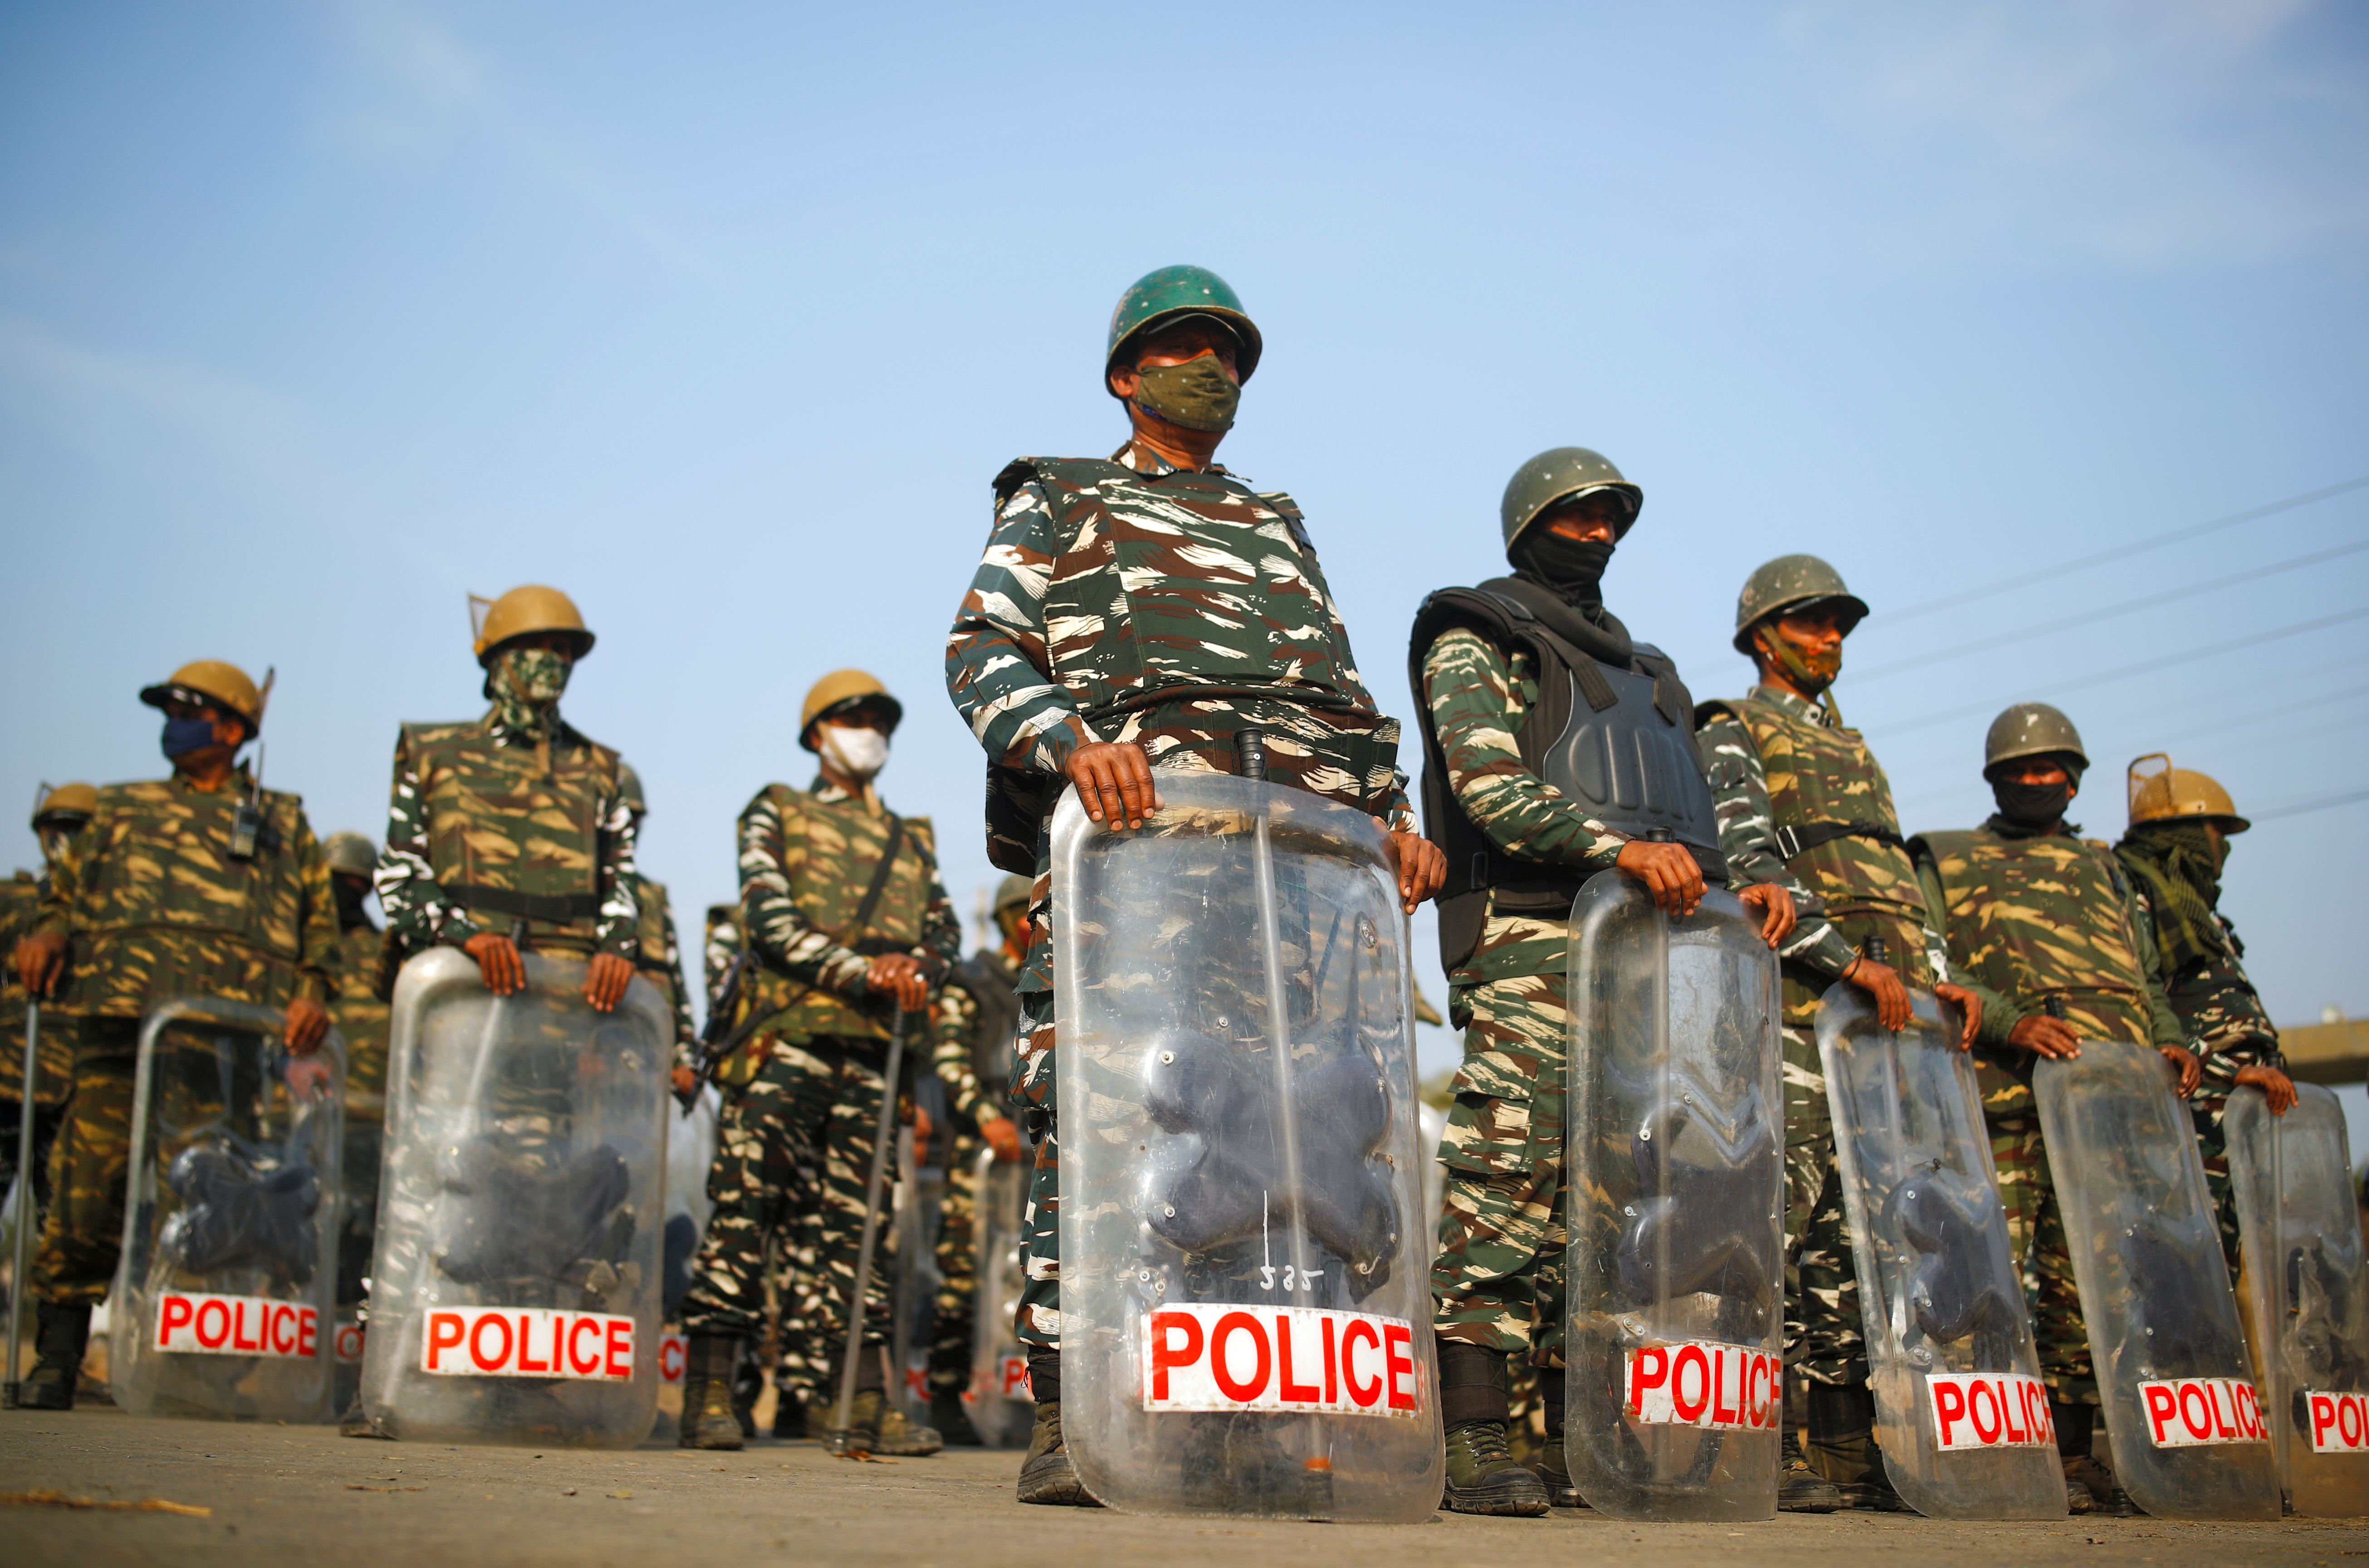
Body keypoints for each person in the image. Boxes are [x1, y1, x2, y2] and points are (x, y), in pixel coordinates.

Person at [944, 265, 1446, 1506]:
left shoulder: (1275, 520)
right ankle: (1074, 1407)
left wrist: (1394, 819)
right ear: (1124, 375)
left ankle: (1241, 1418)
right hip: (1137, 863)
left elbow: (1339, 695)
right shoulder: (1060, 497)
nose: (1209, 369)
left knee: (1266, 1138)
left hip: (1287, 881)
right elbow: (981, 648)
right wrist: (1071, 740)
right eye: (1179, 350)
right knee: (1112, 1121)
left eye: (1228, 353)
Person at [1407, 448, 1795, 1515]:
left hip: (1639, 953)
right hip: (1528, 938)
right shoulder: (1474, 631)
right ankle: (1477, 1430)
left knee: (1619, 1199)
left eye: (1609, 518)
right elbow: (1485, 785)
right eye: (1574, 517)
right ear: (1529, 523)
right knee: (1507, 1178)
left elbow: (1701, 821)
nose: (1596, 535)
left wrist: (1747, 885)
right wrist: (1611, 848)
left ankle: (1587, 1428)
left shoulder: (1652, 673)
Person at [1696, 555, 1983, 1510]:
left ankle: (1847, 1444)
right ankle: (1754, 1439)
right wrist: (1840, 958)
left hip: (1884, 1017)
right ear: (1762, 637)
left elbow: (1894, 886)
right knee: (1779, 1214)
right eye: (1811, 623)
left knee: (1864, 1230)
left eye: (1837, 625)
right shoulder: (1732, 726)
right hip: (1799, 1003)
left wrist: (1942, 979)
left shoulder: (1858, 749)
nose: (1829, 640)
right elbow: (1746, 863)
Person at [356, 584, 641, 1437]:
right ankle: (385, 1384)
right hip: (454, 1020)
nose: (550, 666)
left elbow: (621, 892)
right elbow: (400, 878)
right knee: (426, 1192)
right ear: (494, 664)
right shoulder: (432, 752)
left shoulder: (601, 769)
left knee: (537, 1206)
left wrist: (616, 952)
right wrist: (464, 932)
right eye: (534, 651)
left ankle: (514, 1392)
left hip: (552, 1031)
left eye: (564, 653)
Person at [11, 662, 334, 1409]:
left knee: (204, 1205)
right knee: (85, 1194)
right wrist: (50, 931)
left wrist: (312, 992)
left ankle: (186, 1372)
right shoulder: (120, 809)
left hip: (216, 1047)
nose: (174, 719)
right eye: (171, 707)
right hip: (116, 1032)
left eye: (190, 708)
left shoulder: (281, 821)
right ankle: (56, 1357)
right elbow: (59, 894)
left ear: (233, 727)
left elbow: (319, 920)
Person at [1910, 703, 2202, 1516]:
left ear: (2074, 779)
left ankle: (2074, 1455)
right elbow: (1936, 967)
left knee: (2091, 1284)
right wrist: (2011, 1023)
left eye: (2051, 770)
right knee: (1987, 1276)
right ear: (1995, 780)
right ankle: (1987, 1448)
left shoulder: (2107, 869)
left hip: (2109, 1112)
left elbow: (2142, 978)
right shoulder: (1952, 860)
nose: (2037, 782)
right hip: (2007, 1102)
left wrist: (2170, 1038)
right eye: (2020, 771)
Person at [673, 670, 958, 1457]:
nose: (870, 729)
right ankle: (706, 1397)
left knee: (863, 1235)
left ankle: (864, 1406)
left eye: (879, 719)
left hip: (873, 1058)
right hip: (784, 1045)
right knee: (744, 1216)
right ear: (817, 734)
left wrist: (919, 971)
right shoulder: (777, 809)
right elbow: (767, 919)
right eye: (852, 717)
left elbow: (945, 937)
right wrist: (866, 972)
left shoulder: (911, 839)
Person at [2113, 756, 2297, 1269]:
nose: (2223, 849)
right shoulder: (2139, 893)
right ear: (2185, 835)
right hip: (2193, 1113)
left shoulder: (2198, 912)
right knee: (2193, 1266)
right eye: (2217, 834)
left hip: (2241, 1111)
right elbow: (2144, 1008)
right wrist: (2228, 1071)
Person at [921, 873, 1030, 1443]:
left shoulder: (1053, 984)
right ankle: (942, 1395)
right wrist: (983, 1114)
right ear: (1017, 918)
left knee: (1024, 1275)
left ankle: (1019, 1399)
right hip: (981, 1150)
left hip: (1034, 1152)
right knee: (964, 1271)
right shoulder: (971, 980)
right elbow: (950, 1058)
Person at [2, 784, 94, 1245]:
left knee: (62, 1230)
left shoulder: (107, 914)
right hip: (5, 1077)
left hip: (71, 1091)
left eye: (77, 831)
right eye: (58, 830)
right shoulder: (13, 898)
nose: (65, 842)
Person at [319, 829, 388, 1417]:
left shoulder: (382, 953)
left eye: (356, 884)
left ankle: (353, 1373)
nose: (348, 893)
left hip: (372, 1128)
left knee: (359, 1249)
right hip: (296, 1127)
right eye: (336, 882)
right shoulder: (296, 950)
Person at [617, 764, 698, 1083]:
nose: (628, 830)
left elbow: (676, 990)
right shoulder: (572, 893)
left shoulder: (652, 898)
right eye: (621, 818)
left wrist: (685, 1060)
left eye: (635, 820)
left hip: (647, 1076)